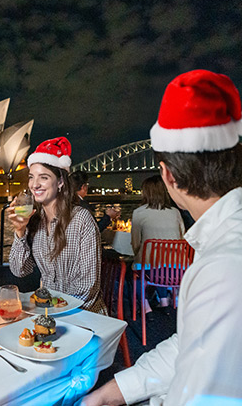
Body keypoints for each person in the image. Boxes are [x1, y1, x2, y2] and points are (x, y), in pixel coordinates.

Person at [83, 70, 242, 406]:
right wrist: (111, 394)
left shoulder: (223, 270)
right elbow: (192, 345)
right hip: (173, 275)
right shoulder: (220, 240)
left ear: (168, 175)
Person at [7, 137, 104, 313]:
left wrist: (54, 308)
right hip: (47, 309)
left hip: (82, 314)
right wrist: (20, 231)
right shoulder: (35, 220)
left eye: (44, 177)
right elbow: (20, 270)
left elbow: (88, 287)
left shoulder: (82, 220)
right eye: (31, 177)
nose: (34, 185)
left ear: (60, 182)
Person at [131, 175, 185, 309]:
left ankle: (146, 307)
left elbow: (136, 243)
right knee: (161, 265)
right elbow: (182, 237)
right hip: (178, 270)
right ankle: (164, 301)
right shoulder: (175, 212)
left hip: (153, 271)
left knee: (136, 271)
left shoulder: (138, 213)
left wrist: (138, 254)